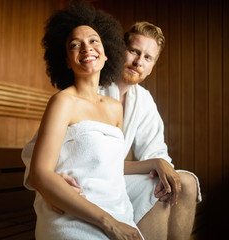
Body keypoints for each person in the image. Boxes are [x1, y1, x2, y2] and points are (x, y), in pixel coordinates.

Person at [23, 19, 202, 239]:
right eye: (134, 51)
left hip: (112, 180)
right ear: (118, 51)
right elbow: (37, 158)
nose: (138, 62)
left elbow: (144, 155)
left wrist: (159, 162)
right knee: (161, 190)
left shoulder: (140, 102)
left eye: (147, 57)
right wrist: (53, 179)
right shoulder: (77, 91)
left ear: (152, 65)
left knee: (182, 184)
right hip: (79, 184)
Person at [27, 1, 143, 239]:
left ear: (106, 52)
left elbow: (113, 168)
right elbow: (39, 173)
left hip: (117, 209)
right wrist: (109, 224)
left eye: (93, 41)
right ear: (67, 61)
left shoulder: (114, 108)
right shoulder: (63, 102)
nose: (86, 48)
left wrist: (154, 164)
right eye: (74, 45)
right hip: (73, 212)